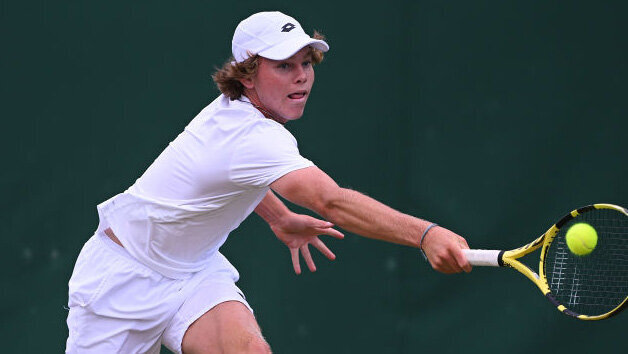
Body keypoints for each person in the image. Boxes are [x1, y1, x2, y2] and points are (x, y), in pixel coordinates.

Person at [65, 11, 472, 354]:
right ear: (246, 75)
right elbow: (331, 202)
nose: (301, 78)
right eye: (283, 66)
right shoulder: (252, 136)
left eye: (306, 64)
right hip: (121, 284)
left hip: (194, 274)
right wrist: (426, 234)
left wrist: (278, 217)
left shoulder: (237, 116)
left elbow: (234, 176)